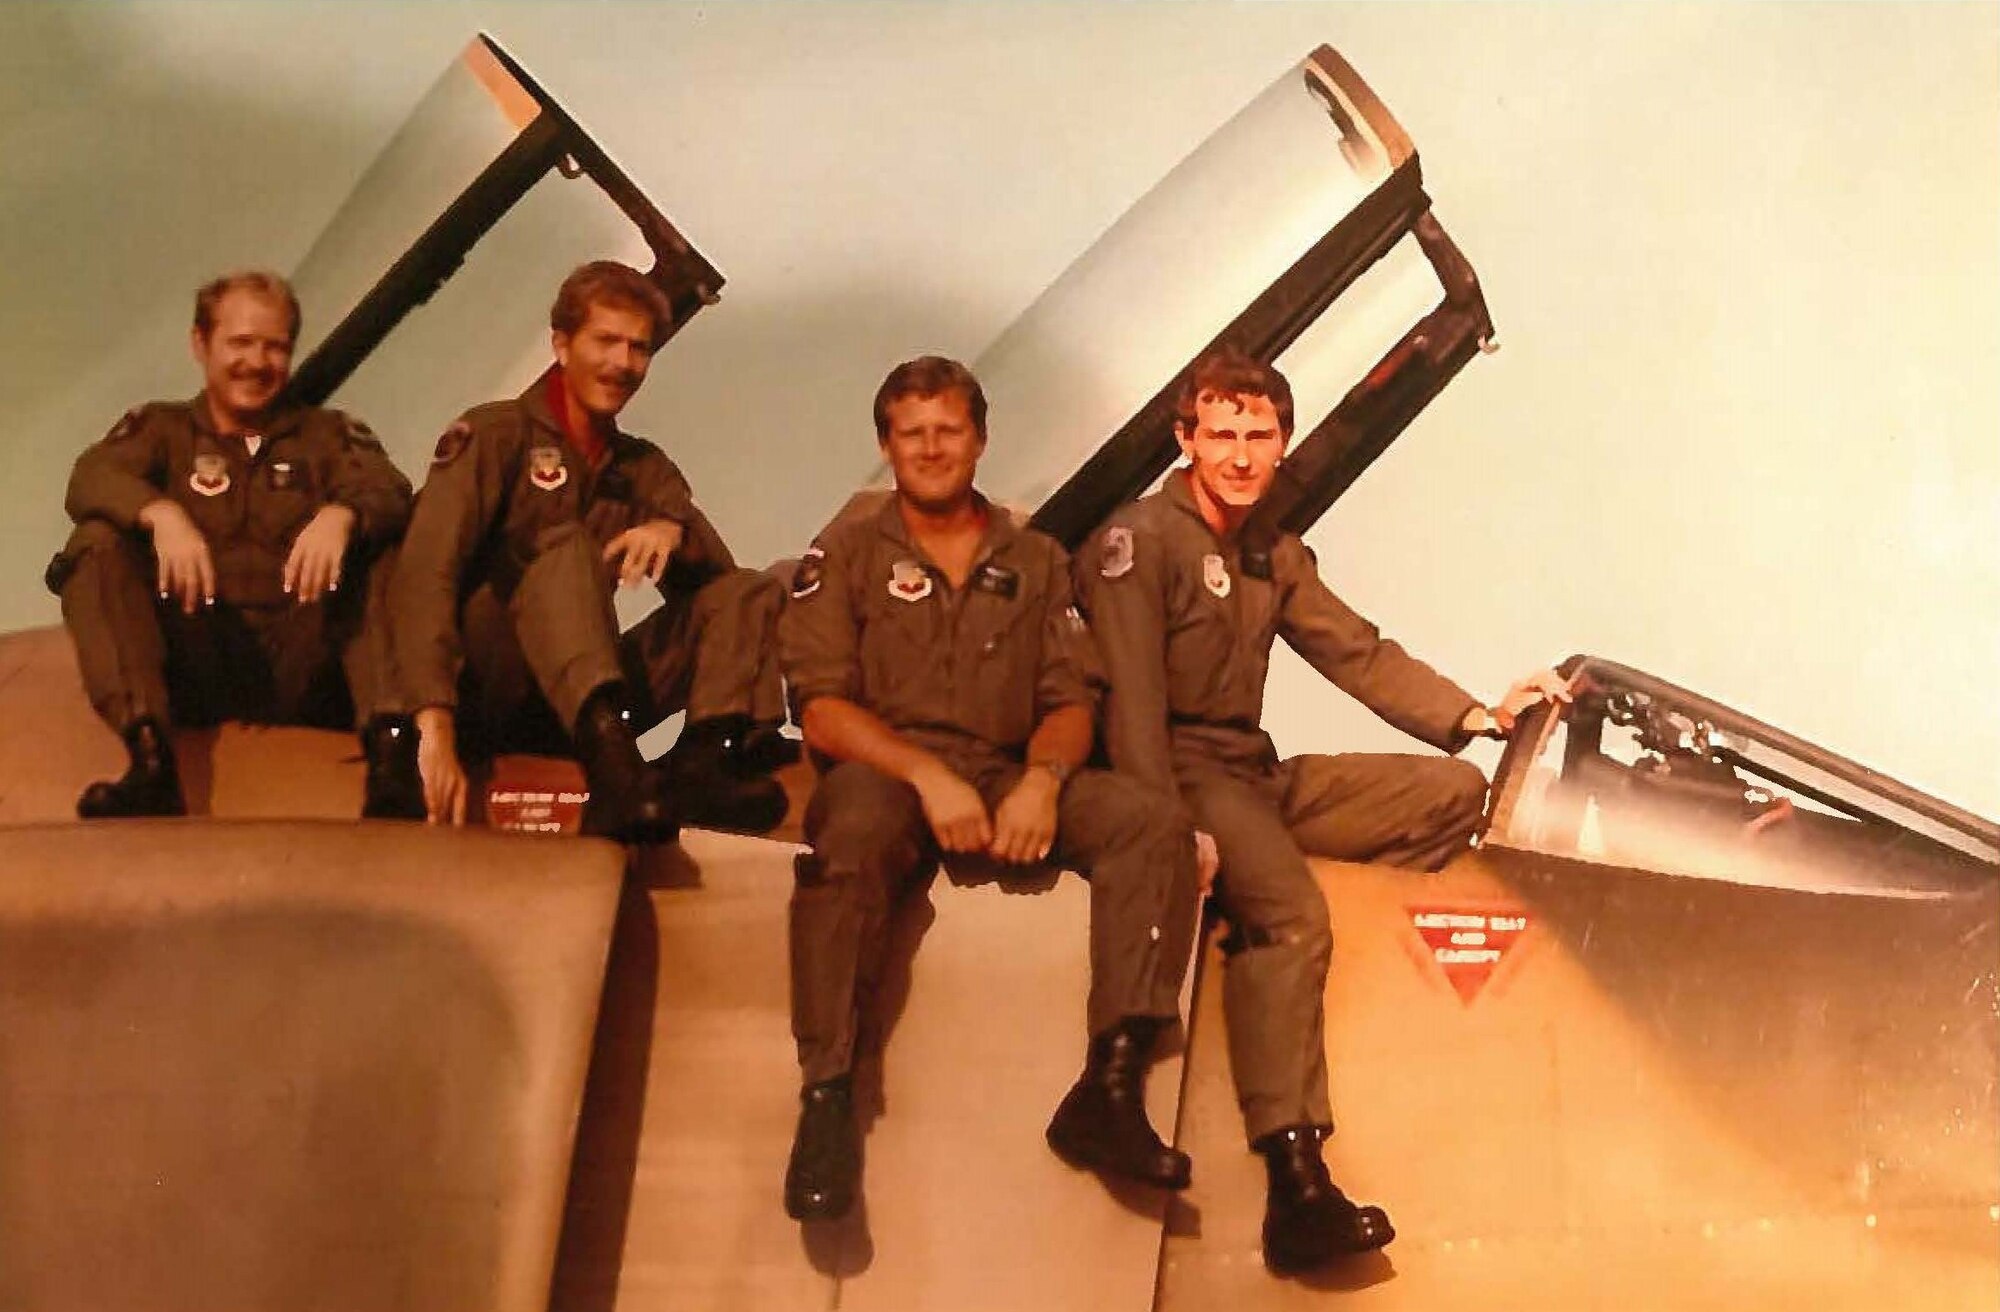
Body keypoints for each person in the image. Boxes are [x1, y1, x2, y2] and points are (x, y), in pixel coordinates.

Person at [1076, 347, 1570, 1274]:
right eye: (1220, 434)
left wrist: (1478, 716)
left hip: (1252, 773)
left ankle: (1271, 932)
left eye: (1258, 436)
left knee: (1451, 794)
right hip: (1178, 772)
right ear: (1185, 440)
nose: (1239, 455)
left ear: (1281, 441)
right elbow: (1132, 709)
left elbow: (1357, 652)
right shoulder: (1139, 542)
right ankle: (1297, 1185)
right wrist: (1173, 828)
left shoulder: (1272, 550)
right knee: (1293, 913)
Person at [777, 356, 1203, 1222]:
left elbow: (1068, 701)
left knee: (1149, 822)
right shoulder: (848, 554)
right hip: (887, 775)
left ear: (980, 438)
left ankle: (1110, 1092)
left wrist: (1043, 781)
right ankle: (825, 1101)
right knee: (850, 835)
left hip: (1007, 770)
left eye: (950, 430)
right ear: (886, 445)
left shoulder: (1039, 561)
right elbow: (821, 710)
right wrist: (927, 778)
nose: (932, 448)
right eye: (913, 432)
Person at [390, 260, 789, 841]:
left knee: (749, 591)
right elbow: (426, 574)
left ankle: (702, 764)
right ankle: (614, 769)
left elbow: (724, 604)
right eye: (605, 342)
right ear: (560, 343)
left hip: (584, 702)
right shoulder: (495, 436)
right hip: (487, 686)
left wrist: (673, 531)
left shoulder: (640, 469)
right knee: (565, 546)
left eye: (639, 348)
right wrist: (433, 719)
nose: (621, 364)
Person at [48, 269, 422, 820]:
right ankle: (150, 761)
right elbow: (91, 477)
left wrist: (343, 515)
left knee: (377, 545)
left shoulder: (328, 435)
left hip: (304, 659)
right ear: (201, 343)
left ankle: (392, 761)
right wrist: (161, 513)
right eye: (240, 343)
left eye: (275, 347)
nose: (257, 362)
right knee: (95, 545)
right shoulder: (162, 430)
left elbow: (388, 487)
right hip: (199, 654)